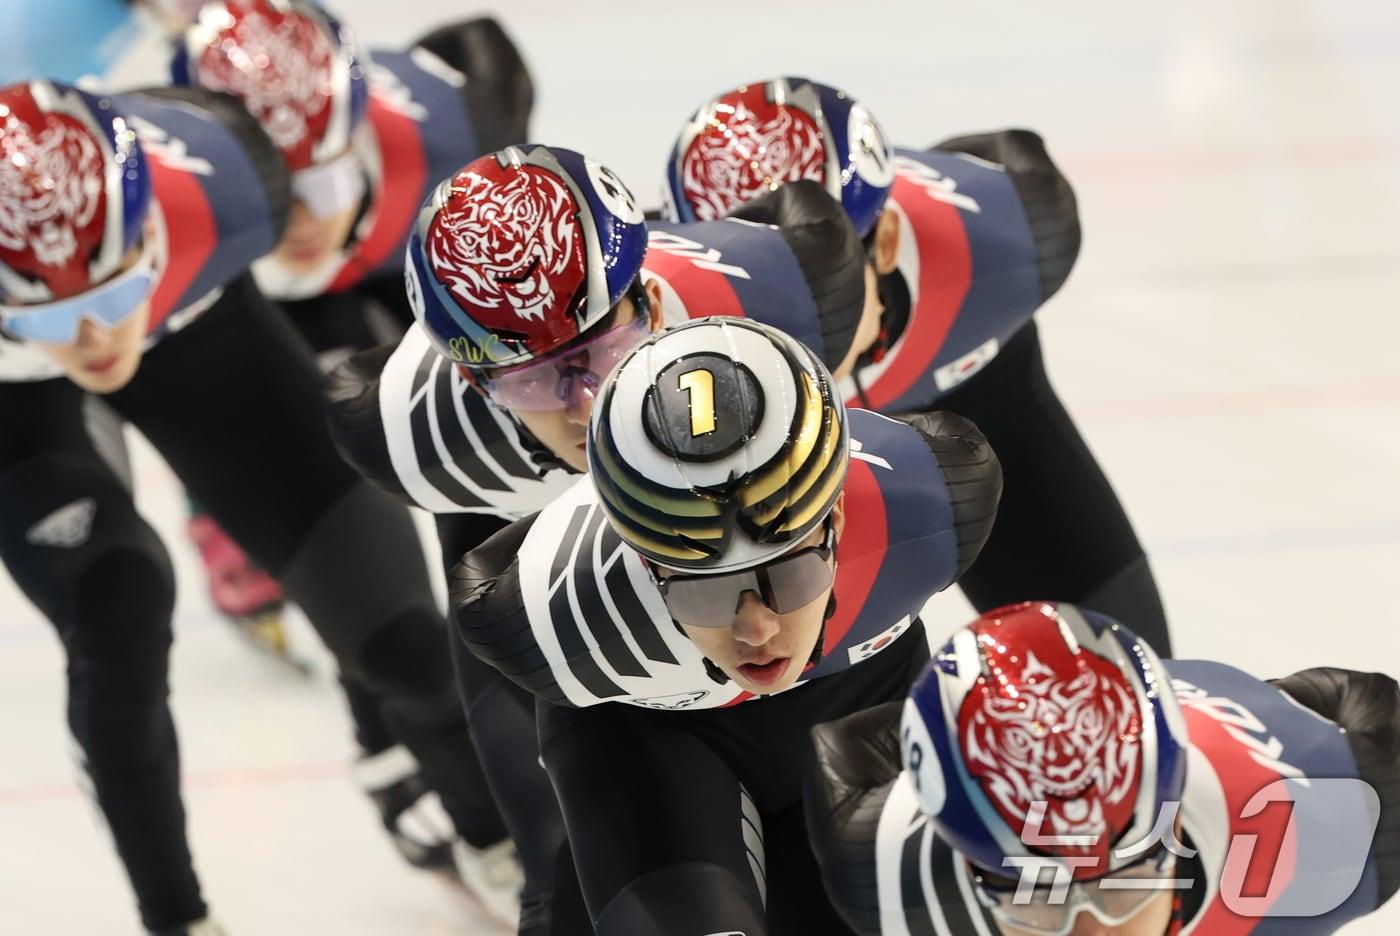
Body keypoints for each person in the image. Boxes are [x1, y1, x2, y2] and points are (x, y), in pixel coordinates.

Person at [0, 80, 514, 933]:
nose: (94, 339)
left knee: (403, 643)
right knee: (117, 603)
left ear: (152, 229)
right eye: (55, 312)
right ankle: (178, 918)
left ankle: (491, 835)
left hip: (200, 334)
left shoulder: (231, 182)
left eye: (110, 294)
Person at [327, 143, 871, 934]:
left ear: (649, 299)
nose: (583, 403)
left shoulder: (777, 297)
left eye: (598, 352)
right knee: (554, 885)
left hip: (782, 644)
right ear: (474, 382)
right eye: (534, 379)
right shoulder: (425, 433)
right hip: (575, 638)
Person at [449, 315, 1004, 934]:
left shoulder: (935, 506)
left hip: (856, 716)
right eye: (705, 593)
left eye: (790, 577)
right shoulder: (561, 618)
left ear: (838, 520)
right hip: (648, 738)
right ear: (643, 563)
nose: (757, 631)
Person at [663, 76, 1172, 655]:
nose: (804, 310)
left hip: (986, 401)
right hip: (789, 486)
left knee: (1121, 660)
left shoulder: (1006, 239)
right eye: (769, 290)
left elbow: (1003, 157)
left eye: (830, 274)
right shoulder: (677, 316)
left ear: (886, 242)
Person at [804, 601, 1400, 934]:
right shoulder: (887, 868)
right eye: (1036, 897)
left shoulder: (1341, 829)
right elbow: (845, 753)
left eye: (1125, 887)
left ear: (1173, 844)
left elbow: (1367, 711)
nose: (1091, 935)